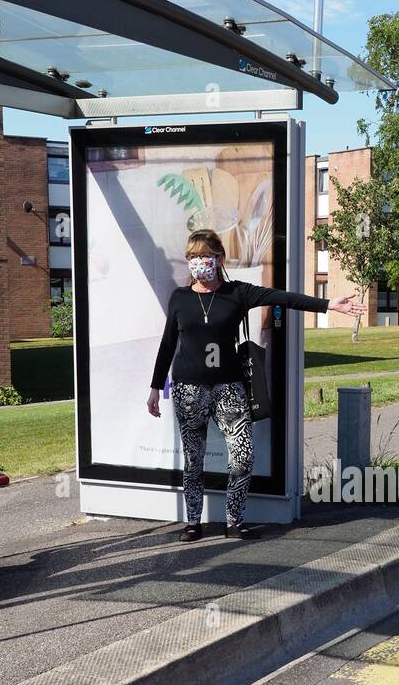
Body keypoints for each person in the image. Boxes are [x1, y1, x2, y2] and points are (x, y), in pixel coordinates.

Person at [148, 228, 363, 541]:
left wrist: (328, 305)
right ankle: (193, 521)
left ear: (219, 258)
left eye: (204, 256)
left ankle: (234, 519)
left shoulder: (237, 293)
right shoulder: (180, 298)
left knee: (243, 455)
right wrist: (155, 387)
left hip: (229, 389)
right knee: (193, 460)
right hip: (189, 390)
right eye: (193, 257)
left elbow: (281, 297)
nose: (199, 262)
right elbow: (168, 344)